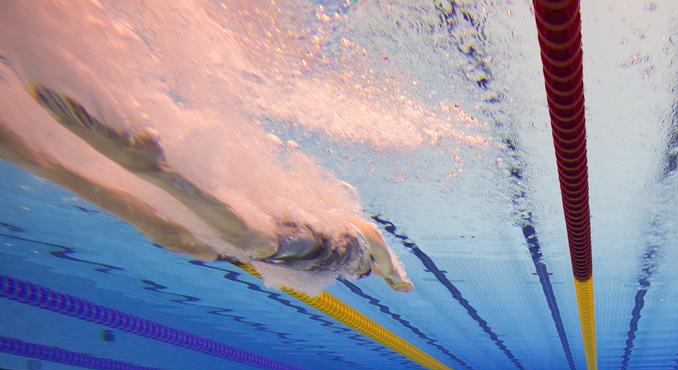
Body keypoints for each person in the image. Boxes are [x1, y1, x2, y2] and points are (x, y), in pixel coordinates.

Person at [0, 83, 412, 294]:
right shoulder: (356, 241)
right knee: (251, 239)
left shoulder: (343, 238)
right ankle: (156, 171)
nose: (368, 275)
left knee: (178, 238)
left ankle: (38, 159)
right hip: (294, 250)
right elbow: (382, 250)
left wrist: (394, 276)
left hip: (272, 253)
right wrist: (395, 276)